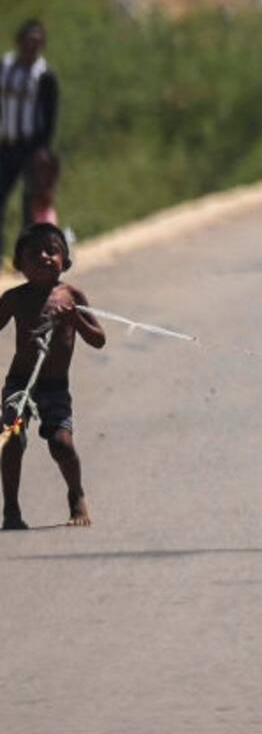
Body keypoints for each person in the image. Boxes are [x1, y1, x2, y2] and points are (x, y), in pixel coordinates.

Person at [0, 222, 105, 530]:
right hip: (20, 386)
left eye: (52, 251)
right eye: (34, 253)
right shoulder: (14, 298)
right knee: (12, 440)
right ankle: (11, 508)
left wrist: (76, 319)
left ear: (65, 261)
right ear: (19, 265)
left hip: (55, 388)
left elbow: (99, 339)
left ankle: (76, 493)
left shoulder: (72, 295)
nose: (44, 257)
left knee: (61, 444)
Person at [0, 20, 60, 260]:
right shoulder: (4, 67)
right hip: (5, 144)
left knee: (31, 201)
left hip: (31, 147)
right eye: (29, 40)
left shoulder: (44, 76)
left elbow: (50, 115)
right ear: (19, 41)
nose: (33, 46)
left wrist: (44, 149)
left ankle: (27, 257)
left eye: (38, 42)